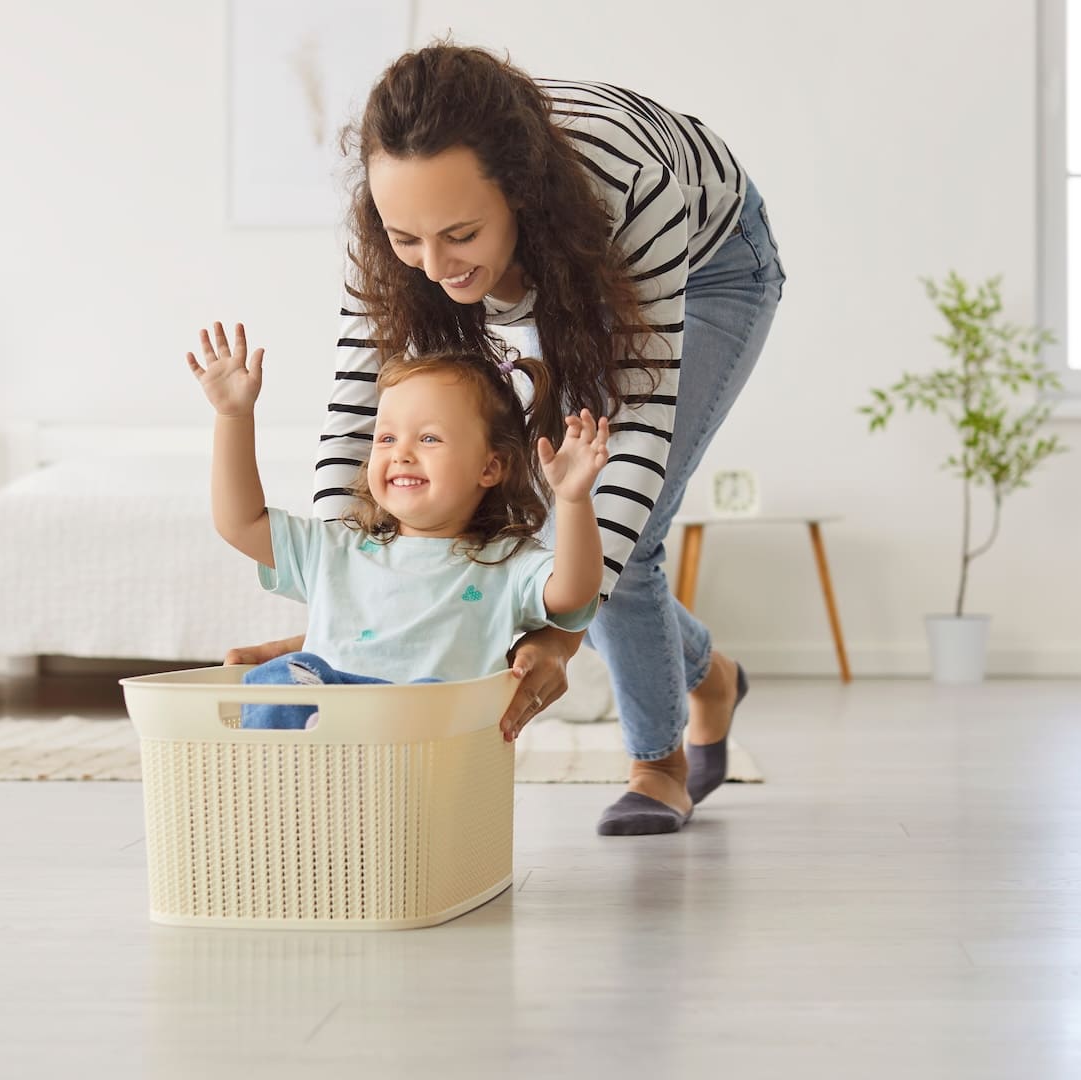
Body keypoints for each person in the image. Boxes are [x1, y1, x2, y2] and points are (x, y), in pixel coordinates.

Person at [227, 44, 785, 835]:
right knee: (551, 537)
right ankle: (708, 676)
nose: (432, 266)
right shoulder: (401, 223)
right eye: (407, 238)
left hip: (707, 268)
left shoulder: (632, 188)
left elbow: (635, 438)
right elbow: (359, 404)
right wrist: (349, 603)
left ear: (519, 194)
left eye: (459, 233)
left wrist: (559, 638)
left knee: (605, 531)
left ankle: (659, 764)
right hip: (564, 248)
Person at [186, 322, 607, 729]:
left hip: (424, 749)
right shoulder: (334, 548)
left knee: (432, 697)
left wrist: (572, 500)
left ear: (490, 467)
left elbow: (574, 591)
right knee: (280, 677)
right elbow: (240, 522)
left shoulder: (505, 563)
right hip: (324, 749)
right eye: (386, 438)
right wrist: (233, 416)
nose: (401, 453)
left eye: (429, 438)